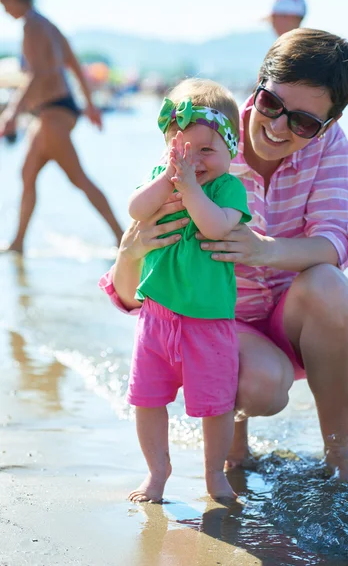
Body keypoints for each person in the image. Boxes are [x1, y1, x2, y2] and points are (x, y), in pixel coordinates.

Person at [100, 28, 348, 481]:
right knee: (262, 386)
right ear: (257, 87)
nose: (278, 127)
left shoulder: (329, 147)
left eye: (302, 122)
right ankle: (230, 445)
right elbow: (136, 286)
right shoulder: (204, 139)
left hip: (289, 316)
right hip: (215, 321)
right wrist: (129, 252)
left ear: (328, 125)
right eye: (271, 105)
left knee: (330, 286)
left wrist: (263, 250)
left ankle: (339, 455)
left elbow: (334, 242)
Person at [112, 78, 251, 502]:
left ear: (231, 150)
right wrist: (167, 180)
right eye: (181, 149)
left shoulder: (228, 188)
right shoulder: (163, 178)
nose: (192, 160)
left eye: (206, 150)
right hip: (157, 316)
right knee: (147, 398)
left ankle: (214, 473)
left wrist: (190, 189)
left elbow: (214, 225)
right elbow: (135, 210)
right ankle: (157, 471)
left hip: (207, 321)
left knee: (216, 403)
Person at [0, 0, 123, 252]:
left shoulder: (32, 26)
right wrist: (90, 107)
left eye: (3, 2)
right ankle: (18, 242)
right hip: (58, 110)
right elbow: (74, 65)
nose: (3, 9)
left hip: (52, 111)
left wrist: (11, 113)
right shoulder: (49, 25)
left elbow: (38, 74)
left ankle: (122, 236)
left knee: (78, 178)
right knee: (27, 173)